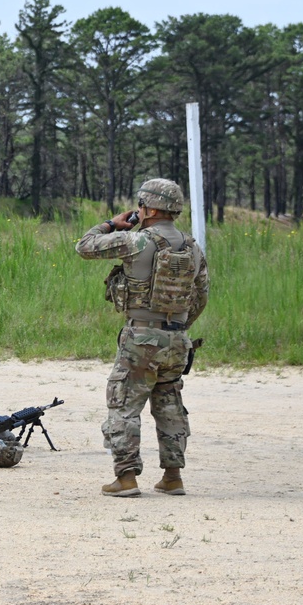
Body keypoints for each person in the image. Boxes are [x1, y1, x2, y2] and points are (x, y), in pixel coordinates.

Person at [75, 178, 209, 497]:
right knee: (169, 403)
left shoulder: (135, 241)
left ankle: (125, 477)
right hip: (178, 340)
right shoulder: (192, 247)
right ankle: (173, 476)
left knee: (123, 402)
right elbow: (201, 296)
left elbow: (84, 246)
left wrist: (111, 224)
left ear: (147, 209)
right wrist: (177, 327)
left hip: (141, 338)